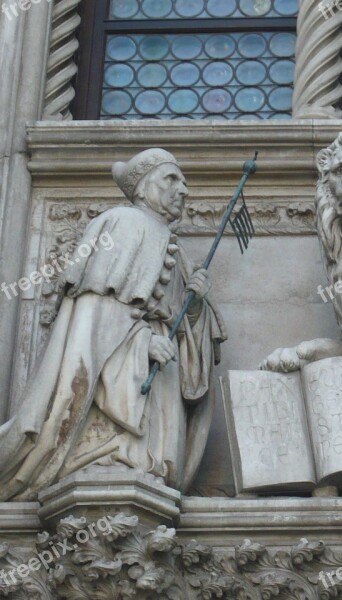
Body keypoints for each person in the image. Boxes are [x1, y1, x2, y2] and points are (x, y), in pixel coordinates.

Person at [0, 149, 226, 500]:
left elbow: (185, 328)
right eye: (172, 179)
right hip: (125, 366)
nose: (184, 189)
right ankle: (106, 462)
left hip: (161, 371)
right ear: (143, 187)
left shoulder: (174, 248)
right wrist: (142, 344)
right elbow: (97, 316)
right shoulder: (123, 224)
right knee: (114, 461)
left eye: (184, 181)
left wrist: (195, 305)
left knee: (147, 470)